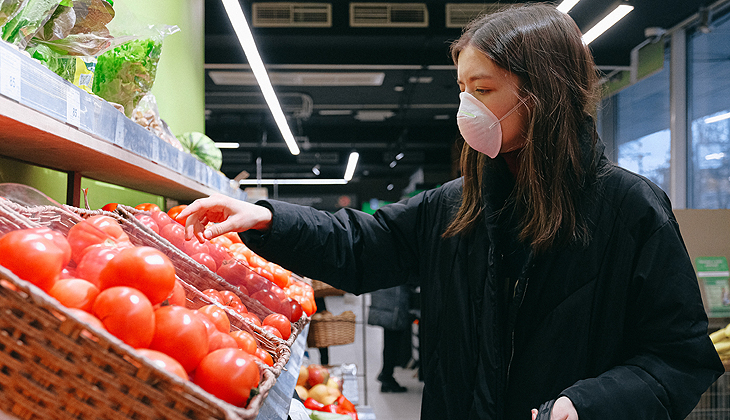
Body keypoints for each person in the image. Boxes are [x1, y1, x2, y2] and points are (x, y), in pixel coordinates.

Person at [177, 4, 724, 419]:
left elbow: (679, 356)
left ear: (544, 95)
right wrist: (266, 218)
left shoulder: (629, 210)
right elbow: (362, 244)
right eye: (461, 87)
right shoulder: (456, 204)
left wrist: (588, 404)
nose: (467, 106)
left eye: (483, 88)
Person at [368, 284, 413, 392]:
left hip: (386, 298)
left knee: (390, 340)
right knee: (393, 341)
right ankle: (387, 375)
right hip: (394, 301)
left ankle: (386, 375)